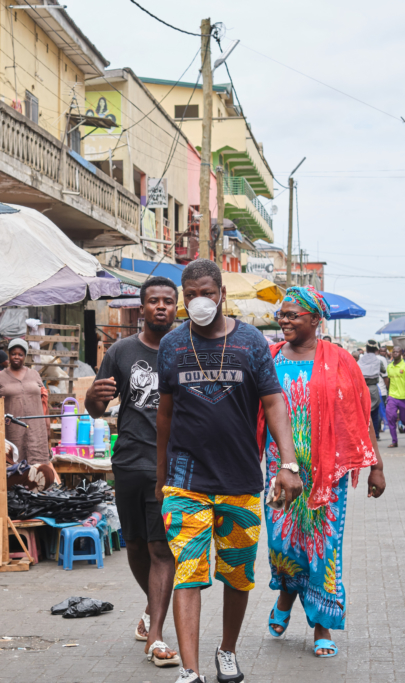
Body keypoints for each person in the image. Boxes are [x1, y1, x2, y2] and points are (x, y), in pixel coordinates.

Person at [155, 259, 302, 683]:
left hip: (239, 479)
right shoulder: (172, 345)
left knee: (237, 574)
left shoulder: (251, 342)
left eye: (206, 292)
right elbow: (165, 413)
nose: (198, 301)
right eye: (191, 294)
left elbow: (274, 402)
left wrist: (288, 463)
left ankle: (227, 650)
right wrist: (161, 474)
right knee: (189, 571)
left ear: (221, 294)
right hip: (185, 482)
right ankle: (190, 669)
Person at [262, 287, 386, 658]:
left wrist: (376, 466)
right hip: (278, 469)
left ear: (315, 320)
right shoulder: (268, 359)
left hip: (327, 474)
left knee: (323, 549)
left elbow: (359, 417)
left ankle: (322, 624)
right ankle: (285, 596)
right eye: (281, 314)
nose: (284, 320)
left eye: (293, 315)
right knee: (283, 544)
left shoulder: (340, 360)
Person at [86, 276, 180, 668]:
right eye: (154, 301)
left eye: (168, 301)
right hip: (128, 460)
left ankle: (156, 634)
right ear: (141, 308)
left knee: (162, 548)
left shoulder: (187, 349)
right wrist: (93, 397)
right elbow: (96, 407)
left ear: (178, 307)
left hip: (173, 467)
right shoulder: (121, 351)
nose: (161, 306)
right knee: (137, 547)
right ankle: (151, 606)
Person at [0, 338, 50, 465]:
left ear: (25, 356)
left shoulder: (34, 375)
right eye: (13, 354)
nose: (16, 357)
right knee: (13, 466)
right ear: (8, 355)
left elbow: (43, 400)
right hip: (11, 431)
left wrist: (47, 426)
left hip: (36, 431)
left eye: (20, 354)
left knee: (38, 469)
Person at [384, 346, 405, 448]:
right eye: (393, 352)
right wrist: (389, 393)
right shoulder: (389, 367)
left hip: (404, 397)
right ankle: (394, 441)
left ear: (401, 353)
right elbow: (388, 381)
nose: (395, 353)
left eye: (397, 351)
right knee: (391, 417)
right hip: (392, 396)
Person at [358, 340, 386, 439]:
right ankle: (376, 435)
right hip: (373, 389)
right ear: (376, 349)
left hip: (361, 389)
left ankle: (364, 435)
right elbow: (384, 371)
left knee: (363, 414)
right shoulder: (378, 360)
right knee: (374, 413)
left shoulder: (360, 360)